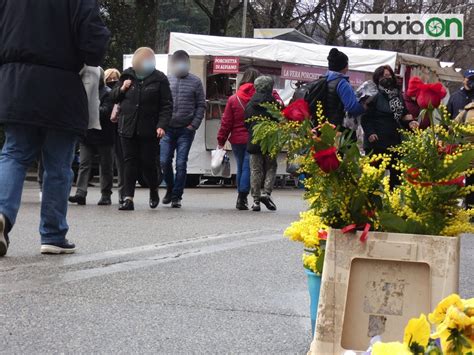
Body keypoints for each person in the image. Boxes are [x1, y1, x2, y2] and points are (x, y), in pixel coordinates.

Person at [0, 0, 109, 256]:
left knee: (14, 152)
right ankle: (53, 234)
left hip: (16, 82)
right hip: (61, 85)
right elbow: (93, 41)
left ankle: (2, 212)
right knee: (58, 164)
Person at [111, 47, 172, 211]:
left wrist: (161, 125)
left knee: (148, 163)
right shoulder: (127, 75)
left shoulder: (159, 78)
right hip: (128, 127)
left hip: (149, 128)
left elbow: (166, 105)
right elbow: (114, 97)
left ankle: (153, 190)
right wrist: (122, 88)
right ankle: (128, 198)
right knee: (129, 163)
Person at [160, 50, 206, 208]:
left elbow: (201, 105)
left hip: (186, 130)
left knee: (181, 163)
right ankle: (170, 187)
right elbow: (161, 103)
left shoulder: (195, 81)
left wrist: (193, 125)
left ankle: (177, 196)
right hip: (168, 128)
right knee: (164, 160)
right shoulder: (167, 80)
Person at [361, 65, 419, 189]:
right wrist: (370, 133)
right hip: (376, 143)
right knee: (373, 179)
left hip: (393, 143)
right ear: (377, 78)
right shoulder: (372, 94)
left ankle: (394, 204)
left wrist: (410, 123)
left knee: (396, 178)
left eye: (389, 75)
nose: (387, 78)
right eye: (383, 76)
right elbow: (366, 118)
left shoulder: (397, 96)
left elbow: (403, 115)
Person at [69, 68, 115, 206]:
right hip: (87, 135)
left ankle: (106, 194)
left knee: (106, 166)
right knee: (84, 164)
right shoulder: (83, 91)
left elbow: (105, 112)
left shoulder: (108, 93)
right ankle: (80, 193)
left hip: (104, 135)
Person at [217, 68, 260, 210]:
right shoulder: (259, 99)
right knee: (248, 167)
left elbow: (226, 122)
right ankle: (242, 198)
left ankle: (240, 198)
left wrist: (221, 140)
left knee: (241, 166)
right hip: (253, 138)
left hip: (236, 140)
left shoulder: (233, 99)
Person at [245, 76, 279, 212]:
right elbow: (279, 121)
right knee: (271, 167)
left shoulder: (250, 104)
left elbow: (246, 123)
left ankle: (255, 200)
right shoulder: (274, 104)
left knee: (255, 170)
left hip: (254, 140)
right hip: (270, 141)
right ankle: (267, 193)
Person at [325, 48, 366, 130]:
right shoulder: (342, 84)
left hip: (323, 125)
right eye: (347, 64)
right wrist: (364, 107)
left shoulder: (324, 79)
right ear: (343, 66)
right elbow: (353, 107)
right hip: (338, 128)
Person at [105, 68, 125, 205]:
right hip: (106, 133)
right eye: (109, 78)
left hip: (119, 132)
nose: (112, 81)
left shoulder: (121, 93)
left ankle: (122, 194)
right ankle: (106, 194)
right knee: (106, 165)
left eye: (115, 78)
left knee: (121, 165)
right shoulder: (103, 93)